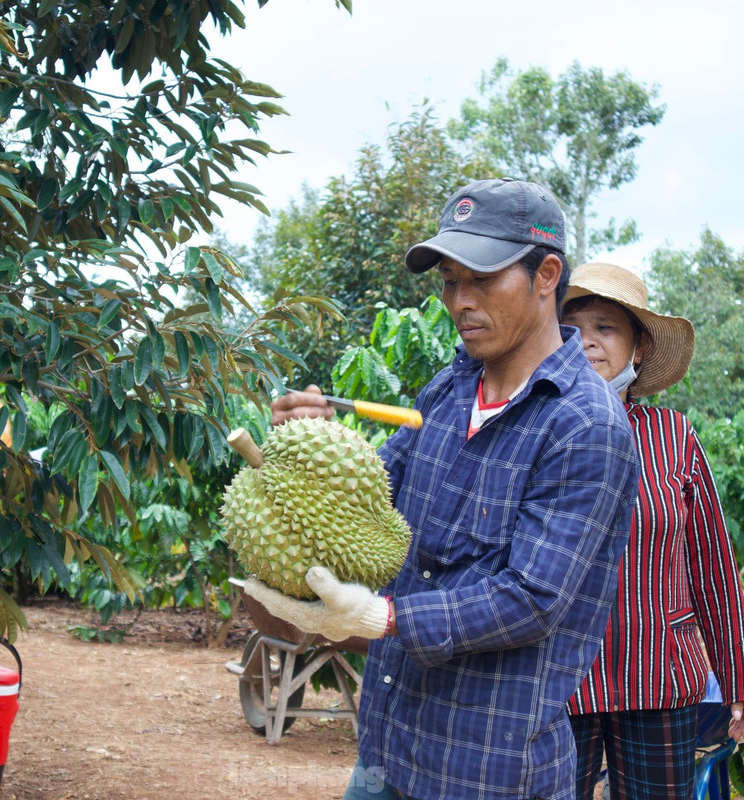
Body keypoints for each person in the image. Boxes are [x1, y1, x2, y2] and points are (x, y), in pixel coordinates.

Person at [245, 178, 641, 800]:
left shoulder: (585, 425)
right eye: (451, 281)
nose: (461, 301)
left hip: (486, 770)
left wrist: (385, 615)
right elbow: (376, 500)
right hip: (386, 748)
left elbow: (532, 598)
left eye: (482, 279)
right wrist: (316, 451)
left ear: (546, 277)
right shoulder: (447, 390)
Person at [560, 262, 744, 800]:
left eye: (605, 327)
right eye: (572, 327)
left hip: (659, 673)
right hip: (556, 677)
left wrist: (739, 673)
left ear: (639, 347)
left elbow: (712, 562)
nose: (587, 342)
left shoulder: (671, 436)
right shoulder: (536, 426)